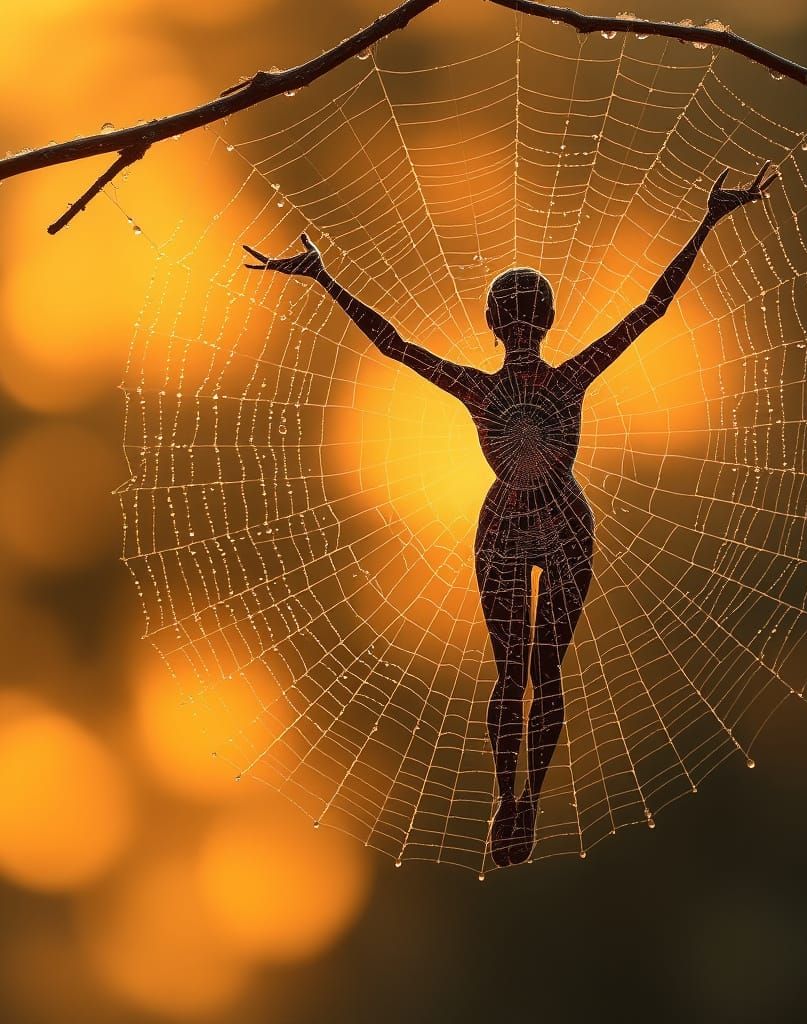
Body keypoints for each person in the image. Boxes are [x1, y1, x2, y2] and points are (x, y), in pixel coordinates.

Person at [243, 162, 776, 866]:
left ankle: (508, 800)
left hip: (504, 526)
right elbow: (650, 310)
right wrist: (707, 222)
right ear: (546, 320)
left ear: (491, 323)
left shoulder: (478, 389)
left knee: (512, 673)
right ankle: (526, 798)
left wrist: (324, 278)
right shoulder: (569, 377)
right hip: (566, 522)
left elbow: (393, 344)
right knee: (546, 672)